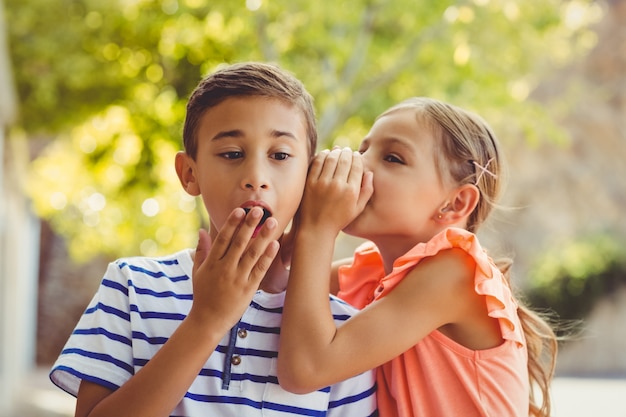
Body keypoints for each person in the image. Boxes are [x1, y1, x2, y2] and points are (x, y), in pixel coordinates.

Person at [49, 62, 377, 417]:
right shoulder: (132, 287)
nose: (256, 177)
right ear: (190, 174)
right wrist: (207, 319)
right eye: (232, 154)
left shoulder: (341, 336)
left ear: (309, 175)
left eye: (280, 155)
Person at [278, 97, 558, 417]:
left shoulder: (456, 272)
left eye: (393, 158)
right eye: (362, 150)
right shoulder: (370, 271)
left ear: (455, 205)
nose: (359, 165)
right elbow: (274, 291)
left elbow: (305, 369)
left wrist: (317, 228)